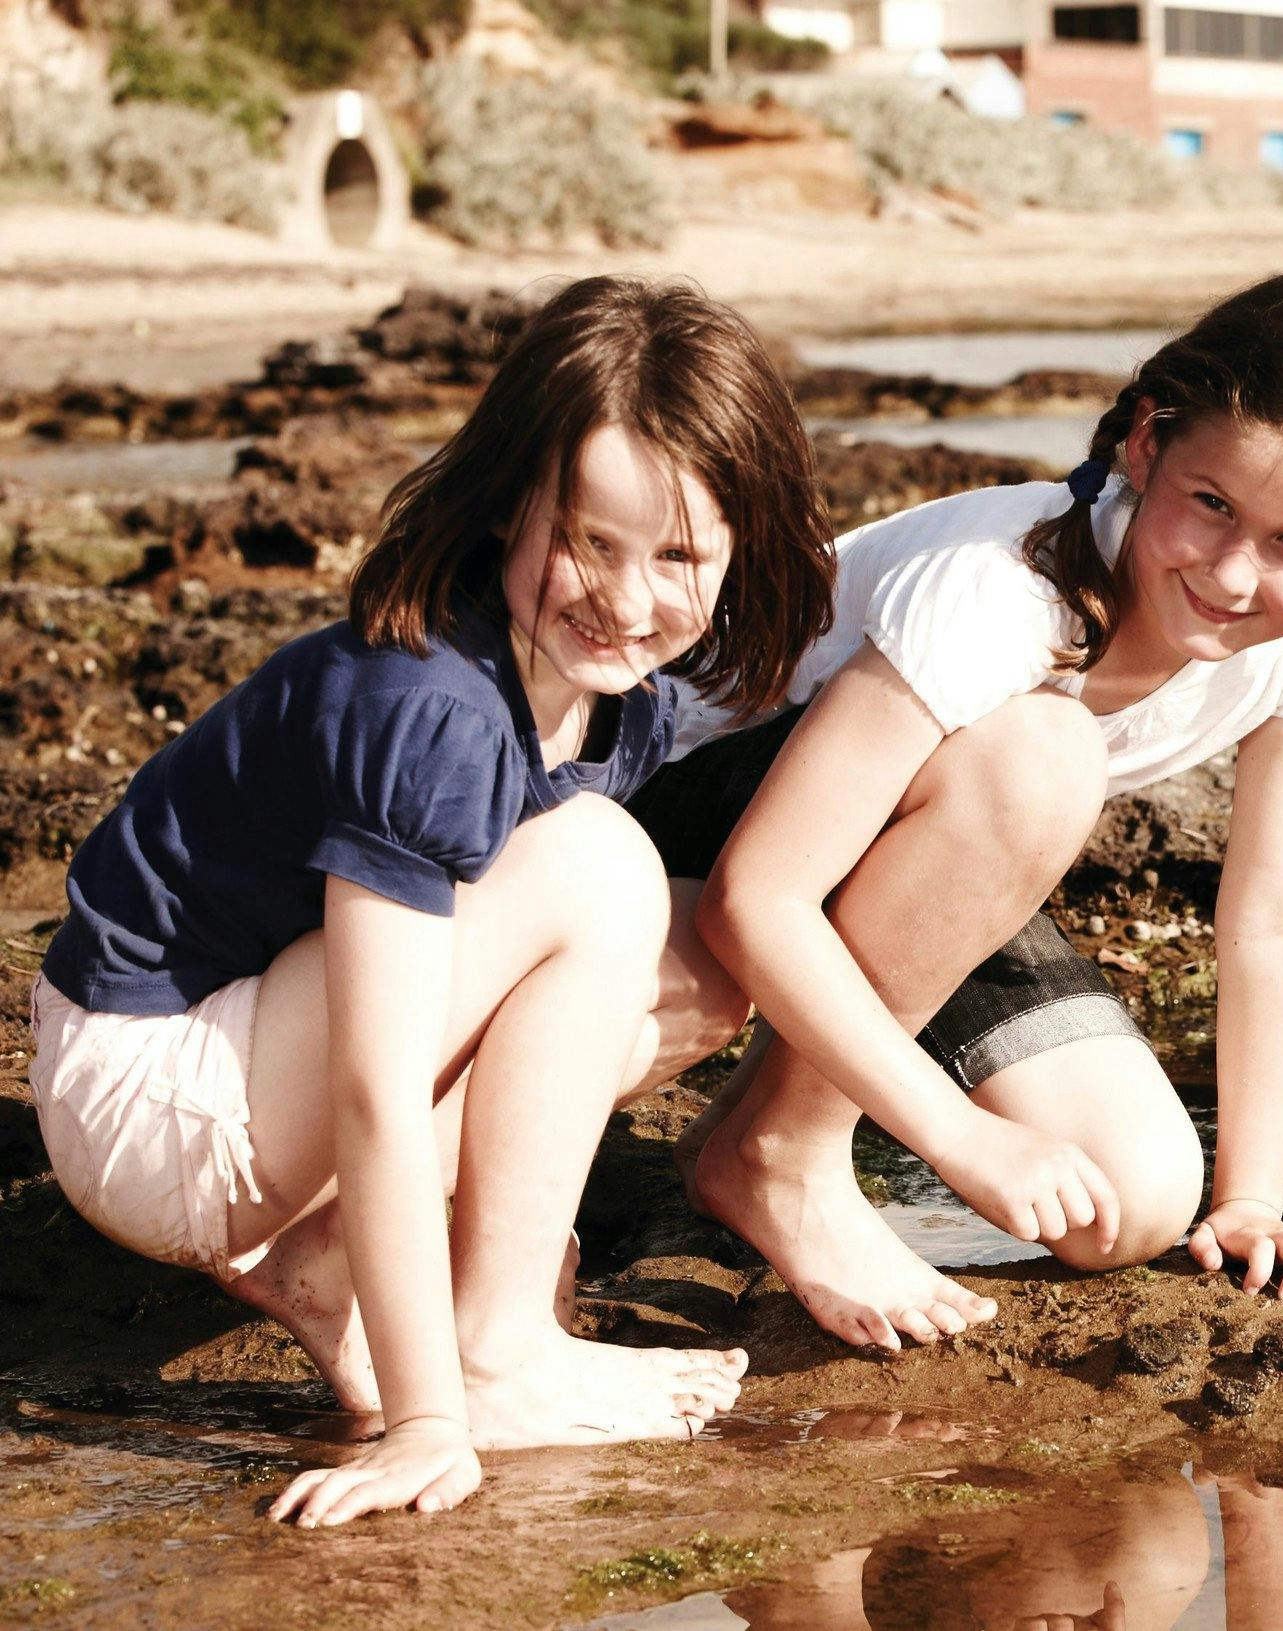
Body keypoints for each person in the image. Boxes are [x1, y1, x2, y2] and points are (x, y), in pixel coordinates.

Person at [27, 275, 836, 1527]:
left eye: (678, 555)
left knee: (659, 988)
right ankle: (494, 1351)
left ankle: (331, 1260)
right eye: (588, 540)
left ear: (740, 551)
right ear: (514, 502)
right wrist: (425, 1419)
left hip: (243, 1059)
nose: (626, 599)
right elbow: (372, 1083)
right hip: (148, 1096)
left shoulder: (618, 683)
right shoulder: (431, 704)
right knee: (599, 869)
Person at [625, 270, 1283, 1351]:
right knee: (1047, 752)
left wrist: (1250, 1196)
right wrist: (956, 1134)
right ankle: (782, 1151)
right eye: (1211, 505)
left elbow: (1275, 915)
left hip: (908, 844)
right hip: (676, 812)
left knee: (1131, 1195)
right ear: (1146, 445)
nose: (1236, 575)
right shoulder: (1000, 589)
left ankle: (750, 1139)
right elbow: (758, 895)